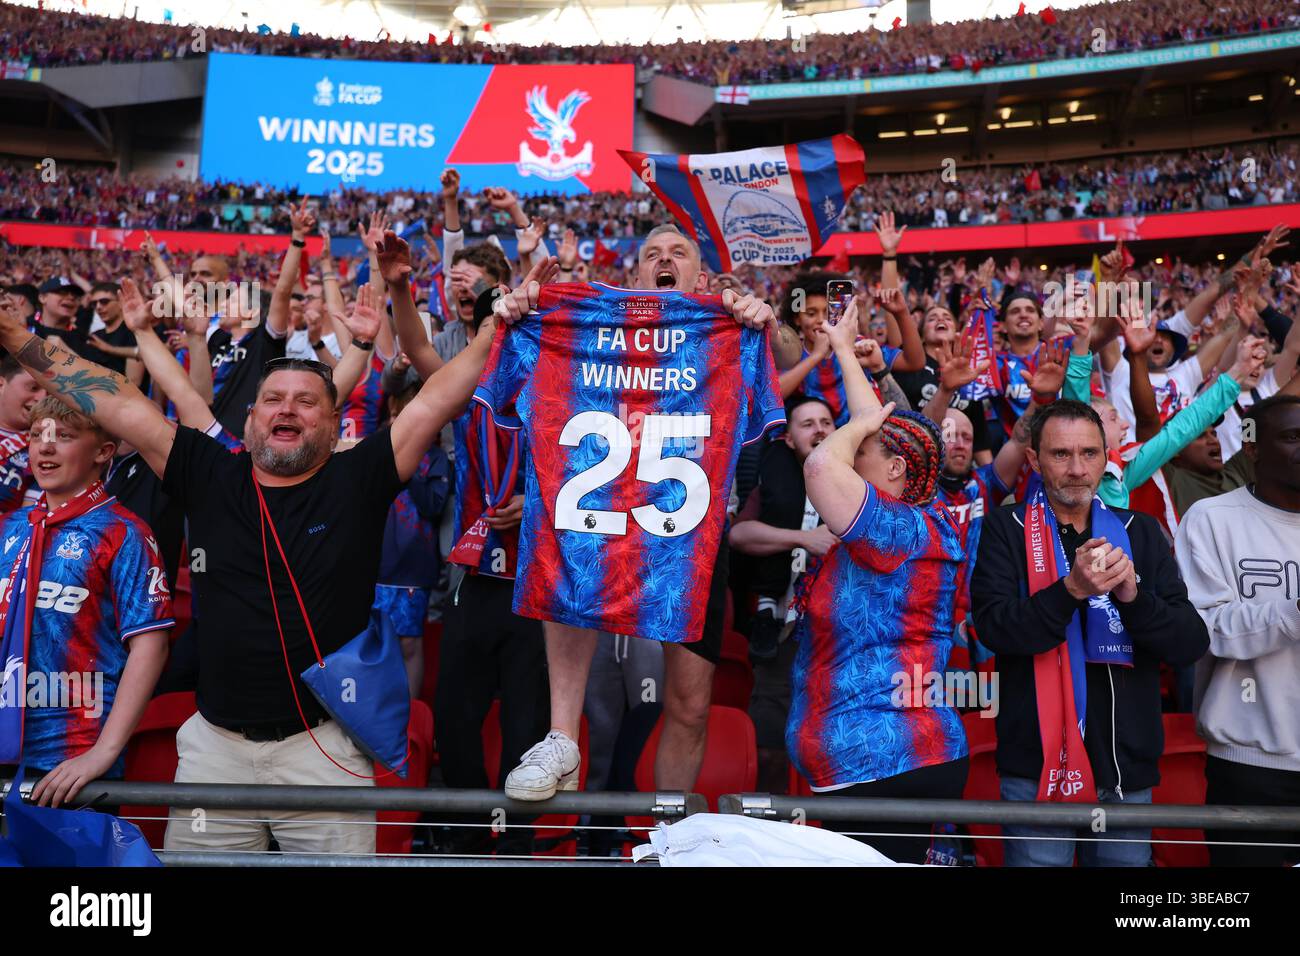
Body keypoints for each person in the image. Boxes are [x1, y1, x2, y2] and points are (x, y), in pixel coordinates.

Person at [0, 252, 538, 852]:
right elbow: (110, 396)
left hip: (326, 750)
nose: (287, 408)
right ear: (250, 418)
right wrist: (17, 336)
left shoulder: (359, 477)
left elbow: (439, 396)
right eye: (273, 398)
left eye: (307, 401)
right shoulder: (205, 471)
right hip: (213, 753)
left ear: (334, 425)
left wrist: (494, 327)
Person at [488, 223, 780, 802]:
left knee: (691, 704)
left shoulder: (730, 324)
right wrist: (522, 305)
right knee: (566, 537)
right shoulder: (581, 320)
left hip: (686, 537)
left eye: (678, 253)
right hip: (600, 514)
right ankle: (561, 736)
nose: (664, 260)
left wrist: (767, 319)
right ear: (636, 275)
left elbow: (791, 353)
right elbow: (506, 367)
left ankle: (669, 827)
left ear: (701, 275)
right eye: (652, 254)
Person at [971, 400, 1209, 866]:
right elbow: (996, 630)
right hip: (1037, 769)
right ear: (1035, 460)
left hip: (1125, 770)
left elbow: (1189, 643)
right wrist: (1071, 590)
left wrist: (1133, 598)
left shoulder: (1139, 532)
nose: (1077, 469)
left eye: (1089, 453)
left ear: (1106, 457)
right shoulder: (1005, 528)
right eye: (1061, 454)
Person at [787, 297, 968, 864]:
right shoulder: (915, 512)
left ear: (894, 470)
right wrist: (844, 351)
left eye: (859, 449)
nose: (846, 451)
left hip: (886, 760)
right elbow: (877, 433)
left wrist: (861, 425)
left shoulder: (895, 530)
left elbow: (820, 466)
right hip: (885, 758)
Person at [1, 397, 172, 808]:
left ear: (103, 452)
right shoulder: (9, 527)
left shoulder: (124, 532)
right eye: (38, 434)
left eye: (63, 436)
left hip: (71, 763)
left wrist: (104, 753)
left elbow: (151, 646)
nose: (44, 447)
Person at [1175, 395, 1300, 866]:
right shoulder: (1212, 520)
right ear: (1253, 448)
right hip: (1251, 765)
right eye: (1291, 437)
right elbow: (1205, 631)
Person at [729, 395, 837, 788]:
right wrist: (804, 538)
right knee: (769, 737)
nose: (820, 429)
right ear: (789, 439)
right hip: (781, 626)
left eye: (826, 422)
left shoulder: (854, 481)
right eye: (807, 424)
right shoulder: (775, 477)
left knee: (829, 741)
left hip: (837, 632)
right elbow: (740, 535)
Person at [0, 355, 46, 516]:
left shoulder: (44, 451)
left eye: (49, 394)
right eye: (33, 388)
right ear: (1, 384)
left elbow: (25, 522)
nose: (42, 399)